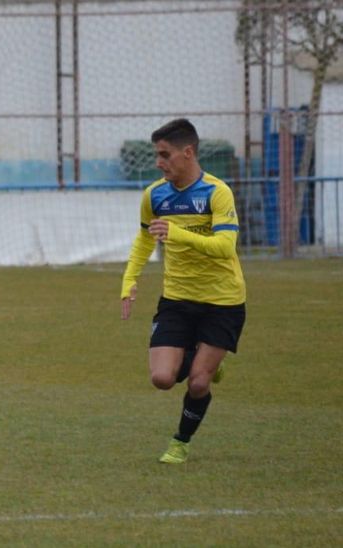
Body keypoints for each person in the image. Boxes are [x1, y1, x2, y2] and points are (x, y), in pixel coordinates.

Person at [119, 118, 246, 465]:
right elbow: (144, 239)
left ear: (187, 152)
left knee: (199, 383)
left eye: (165, 155)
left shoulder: (217, 192)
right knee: (161, 378)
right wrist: (129, 281)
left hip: (223, 301)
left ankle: (180, 442)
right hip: (177, 299)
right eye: (156, 155)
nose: (159, 162)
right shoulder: (154, 195)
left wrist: (177, 234)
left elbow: (225, 246)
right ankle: (202, 354)